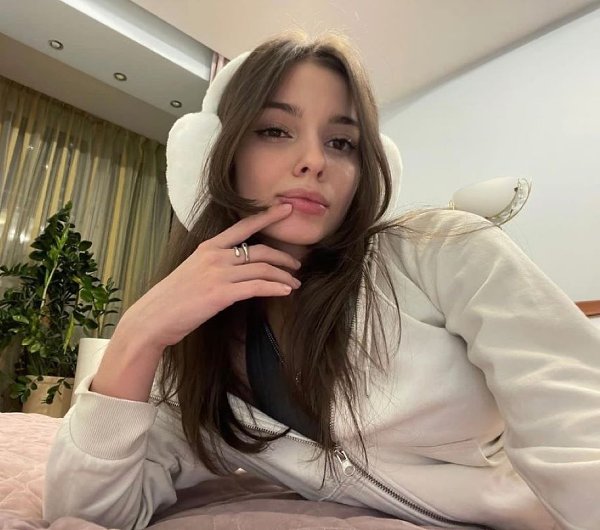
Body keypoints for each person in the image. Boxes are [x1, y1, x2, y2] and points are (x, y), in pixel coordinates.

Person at [43, 30, 600, 530]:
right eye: (274, 130)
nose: (313, 160)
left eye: (341, 143)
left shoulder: (445, 249)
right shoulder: (200, 346)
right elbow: (89, 512)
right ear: (220, 153)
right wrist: (138, 333)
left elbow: (578, 427)